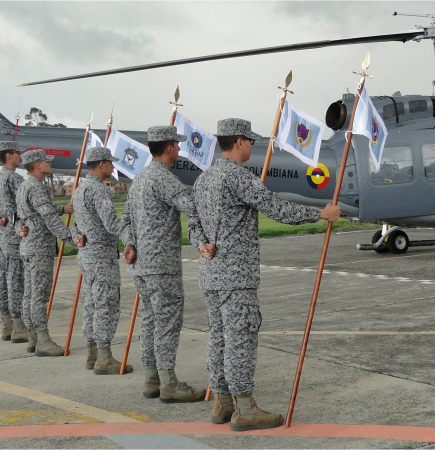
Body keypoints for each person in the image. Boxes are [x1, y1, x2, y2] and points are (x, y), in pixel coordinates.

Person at [192, 118, 341, 431]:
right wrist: (320, 214)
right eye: (250, 141)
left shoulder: (203, 179)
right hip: (236, 275)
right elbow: (276, 208)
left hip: (211, 274)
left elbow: (194, 224)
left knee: (219, 337)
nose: (252, 146)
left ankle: (223, 401)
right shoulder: (236, 176)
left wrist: (200, 243)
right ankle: (245, 410)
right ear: (239, 142)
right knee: (240, 338)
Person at [122, 125, 211, 402]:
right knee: (167, 323)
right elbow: (190, 204)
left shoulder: (139, 179)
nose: (180, 150)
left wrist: (128, 242)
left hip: (141, 267)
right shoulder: (162, 177)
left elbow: (125, 220)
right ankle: (169, 381)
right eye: (177, 145)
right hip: (162, 266)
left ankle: (152, 378)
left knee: (150, 321)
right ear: (169, 147)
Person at [72, 146, 133, 375]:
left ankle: (92, 353)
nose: (113, 167)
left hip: (87, 256)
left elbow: (78, 226)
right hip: (101, 257)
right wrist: (130, 233)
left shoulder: (80, 189)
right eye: (110, 163)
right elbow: (111, 224)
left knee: (91, 304)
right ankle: (104, 357)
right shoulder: (98, 190)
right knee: (106, 305)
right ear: (101, 164)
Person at [16, 149, 82, 356]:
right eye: (46, 161)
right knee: (39, 295)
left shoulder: (24, 186)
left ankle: (33, 338)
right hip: (39, 247)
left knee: (29, 294)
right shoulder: (36, 187)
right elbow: (48, 218)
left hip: (28, 246)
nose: (49, 164)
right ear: (37, 164)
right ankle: (43, 340)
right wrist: (71, 238)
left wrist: (63, 209)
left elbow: (28, 215)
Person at [0, 141, 28, 343]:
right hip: (15, 238)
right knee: (16, 281)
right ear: (9, 155)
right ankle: (19, 326)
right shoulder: (15, 179)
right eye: (18, 153)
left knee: (2, 281)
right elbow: (29, 205)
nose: (20, 156)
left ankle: (6, 324)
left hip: (0, 238)